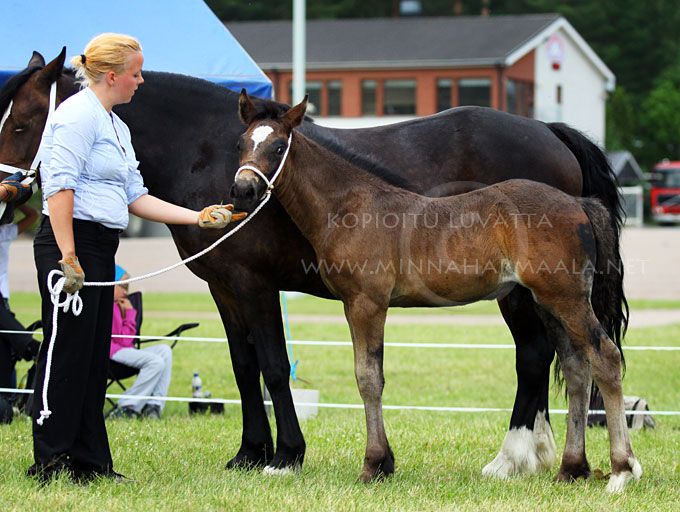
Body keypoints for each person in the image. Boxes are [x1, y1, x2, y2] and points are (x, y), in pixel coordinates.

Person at [28, 33, 244, 483]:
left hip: (101, 245)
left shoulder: (117, 127)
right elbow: (59, 186)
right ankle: (50, 459)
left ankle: (90, 462)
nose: (141, 80)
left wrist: (197, 217)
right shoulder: (76, 118)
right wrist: (68, 256)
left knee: (91, 355)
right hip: (70, 244)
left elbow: (135, 196)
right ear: (112, 76)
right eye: (136, 73)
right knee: (65, 350)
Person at [109, 265, 171, 420]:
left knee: (165, 351)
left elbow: (126, 340)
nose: (125, 292)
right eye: (122, 286)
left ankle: (154, 405)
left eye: (127, 287)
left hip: (123, 349)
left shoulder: (118, 305)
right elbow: (123, 341)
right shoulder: (109, 307)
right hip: (111, 352)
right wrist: (130, 313)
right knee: (155, 362)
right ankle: (126, 406)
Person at [0, 204, 40, 421]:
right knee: (10, 343)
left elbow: (34, 214)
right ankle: (29, 345)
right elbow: (33, 215)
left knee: (4, 349)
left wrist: (14, 199)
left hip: (2, 300)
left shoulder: (3, 233)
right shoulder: (4, 233)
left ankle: (7, 398)